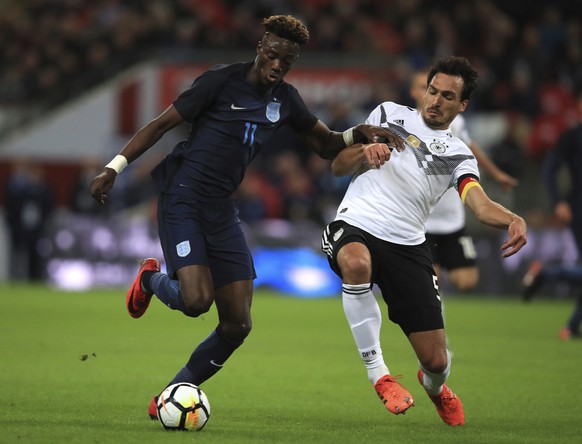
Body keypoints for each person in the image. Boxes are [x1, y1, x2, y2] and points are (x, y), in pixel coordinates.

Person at [89, 15, 402, 419]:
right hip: (182, 197)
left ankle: (170, 394)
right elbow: (161, 124)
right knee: (196, 300)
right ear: (260, 47)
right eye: (272, 55)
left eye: (285, 62)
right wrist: (113, 168)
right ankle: (150, 279)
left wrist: (356, 133)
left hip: (221, 208)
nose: (276, 66)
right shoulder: (220, 81)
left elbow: (325, 144)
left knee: (238, 325)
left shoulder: (285, 99)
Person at [321, 56, 527, 426]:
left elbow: (478, 205)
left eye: (447, 96)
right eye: (432, 91)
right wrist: (363, 151)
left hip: (410, 245)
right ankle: (379, 375)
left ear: (462, 105)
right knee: (355, 264)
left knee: (436, 361)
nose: (435, 101)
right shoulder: (388, 115)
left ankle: (436, 388)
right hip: (356, 223)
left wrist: (513, 219)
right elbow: (338, 164)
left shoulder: (459, 154)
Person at [409, 68, 519, 293]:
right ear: (415, 92)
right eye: (427, 89)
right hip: (421, 221)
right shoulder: (403, 124)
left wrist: (496, 174)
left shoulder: (453, 124)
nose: (435, 96)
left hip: (451, 220)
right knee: (430, 280)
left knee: (467, 281)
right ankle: (430, 321)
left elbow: (469, 147)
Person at [522, 89, 582, 341]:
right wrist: (559, 201)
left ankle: (545, 274)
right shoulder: (572, 136)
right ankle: (570, 327)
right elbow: (549, 171)